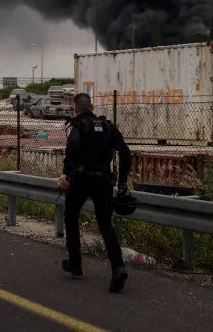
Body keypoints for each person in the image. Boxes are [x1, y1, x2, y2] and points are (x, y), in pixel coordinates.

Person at [57, 92, 132, 292]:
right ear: (92, 106)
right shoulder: (106, 125)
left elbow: (73, 144)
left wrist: (66, 173)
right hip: (104, 180)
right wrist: (122, 180)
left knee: (71, 216)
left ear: (75, 108)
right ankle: (118, 268)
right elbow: (125, 151)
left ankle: (75, 264)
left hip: (81, 180)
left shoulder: (74, 125)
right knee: (105, 224)